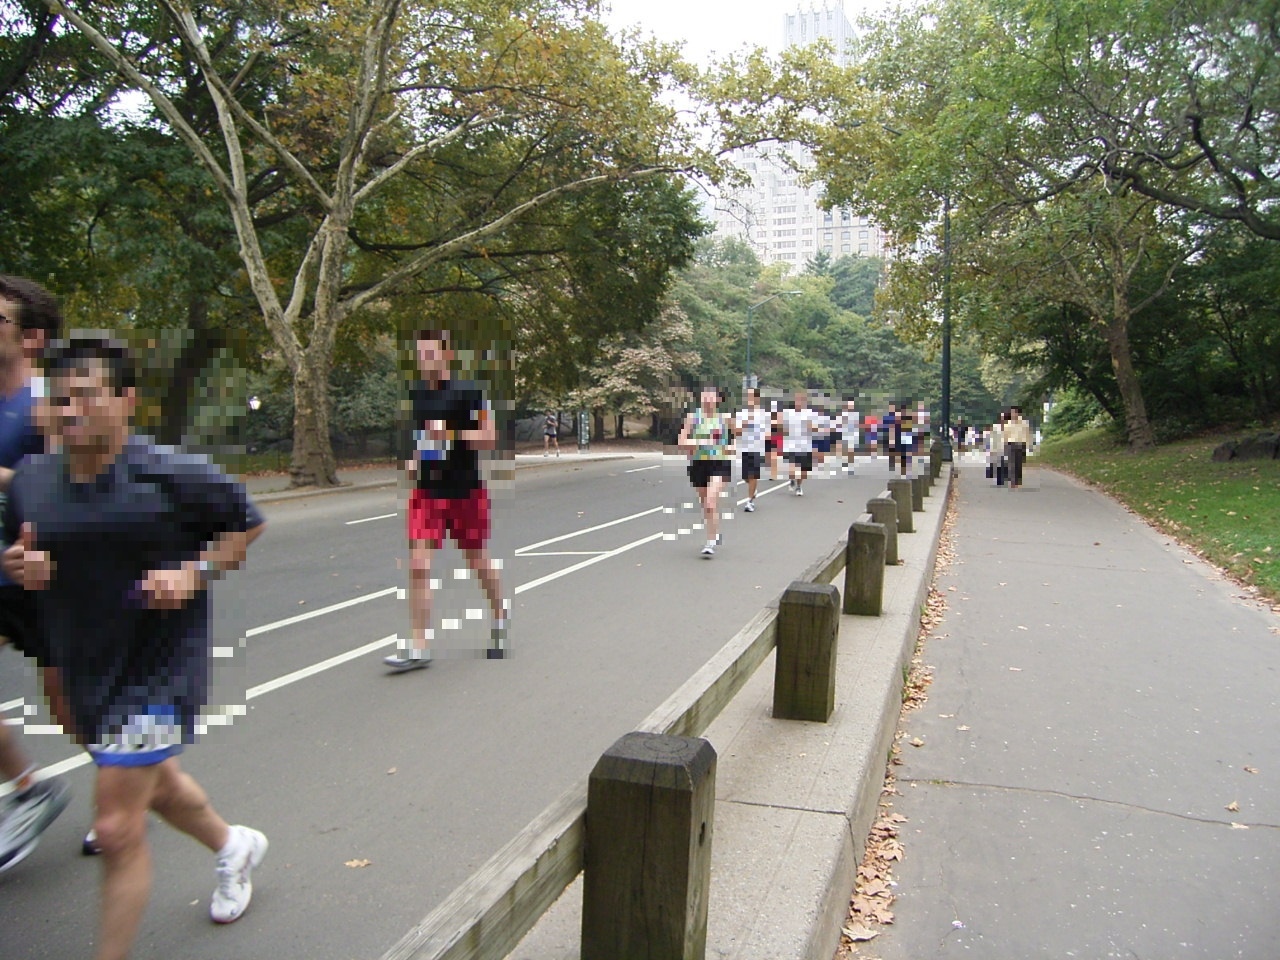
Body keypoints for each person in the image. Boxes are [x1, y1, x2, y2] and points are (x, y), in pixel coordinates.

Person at [2, 335, 268, 960]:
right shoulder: (33, 482)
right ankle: (233, 846)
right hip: (87, 670)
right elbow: (19, 550)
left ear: (125, 400)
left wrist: (194, 573)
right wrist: (20, 565)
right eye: (60, 399)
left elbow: (246, 526)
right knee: (159, 787)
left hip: (161, 672)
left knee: (117, 828)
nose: (71, 411)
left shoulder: (172, 473)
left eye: (86, 396)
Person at [386, 328, 509, 670]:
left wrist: (452, 434)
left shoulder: (471, 392)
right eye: (420, 354)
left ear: (447, 355)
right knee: (418, 565)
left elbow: (489, 438)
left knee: (477, 560)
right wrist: (415, 459)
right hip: (427, 491)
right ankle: (419, 646)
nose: (425, 360)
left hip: (465, 490)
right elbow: (422, 438)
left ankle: (500, 618)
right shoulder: (417, 395)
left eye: (431, 353)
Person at [0, 275, 69, 873]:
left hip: (46, 576)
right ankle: (28, 787)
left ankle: (135, 785)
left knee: (69, 705)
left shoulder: (49, 402)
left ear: (32, 338)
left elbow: (67, 486)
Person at [679, 386, 732, 557]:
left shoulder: (725, 418)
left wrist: (732, 447)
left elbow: (737, 438)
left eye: (711, 396)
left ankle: (710, 542)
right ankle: (714, 532)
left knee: (710, 502)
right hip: (699, 463)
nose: (707, 399)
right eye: (705, 396)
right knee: (706, 506)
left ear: (718, 400)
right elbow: (682, 441)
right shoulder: (693, 418)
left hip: (719, 463)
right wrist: (697, 443)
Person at [733, 387, 769, 512]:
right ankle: (753, 489)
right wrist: (744, 424)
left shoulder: (764, 414)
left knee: (753, 475)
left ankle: (749, 501)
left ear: (757, 398)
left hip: (758, 448)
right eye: (748, 396)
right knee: (746, 476)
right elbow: (736, 432)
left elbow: (769, 432)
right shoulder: (741, 414)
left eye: (752, 396)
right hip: (744, 448)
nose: (750, 399)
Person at [782, 388, 817, 496]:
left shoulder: (810, 413)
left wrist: (811, 427)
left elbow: (815, 428)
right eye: (797, 400)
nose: (799, 402)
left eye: (801, 400)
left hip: (805, 445)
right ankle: (792, 478)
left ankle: (799, 486)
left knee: (803, 469)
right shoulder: (788, 413)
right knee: (792, 466)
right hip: (791, 444)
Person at [1004, 405, 1032, 490]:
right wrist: (1005, 445)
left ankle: (1018, 481)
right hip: (1011, 444)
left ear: (1018, 413)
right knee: (1012, 463)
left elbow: (1028, 435)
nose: (1013, 414)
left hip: (1021, 444)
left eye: (1015, 412)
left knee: (1019, 464)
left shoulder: (1024, 423)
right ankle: (1013, 481)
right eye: (1012, 412)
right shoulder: (1008, 424)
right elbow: (1005, 436)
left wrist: (1029, 445)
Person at [837, 399, 859, 476]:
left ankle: (850, 465)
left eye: (851, 405)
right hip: (844, 434)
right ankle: (845, 463)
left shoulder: (855, 414)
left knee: (851, 451)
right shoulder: (843, 414)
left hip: (853, 435)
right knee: (844, 451)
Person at [988, 410, 1008, 486]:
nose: (1003, 420)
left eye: (1004, 418)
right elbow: (992, 438)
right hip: (997, 448)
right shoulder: (995, 427)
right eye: (1002, 418)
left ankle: (1004, 477)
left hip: (1006, 447)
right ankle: (998, 479)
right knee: (997, 464)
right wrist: (991, 448)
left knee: (1004, 463)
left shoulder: (1009, 427)